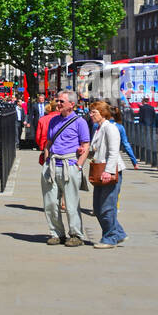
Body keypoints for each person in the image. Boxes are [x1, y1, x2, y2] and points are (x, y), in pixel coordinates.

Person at [40, 90, 90, 247]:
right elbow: (49, 142)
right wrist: (47, 159)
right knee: (50, 203)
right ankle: (57, 233)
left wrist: (79, 165)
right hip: (53, 165)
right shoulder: (54, 121)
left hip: (70, 165)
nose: (58, 103)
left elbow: (85, 145)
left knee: (71, 203)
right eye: (57, 101)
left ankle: (75, 234)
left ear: (71, 104)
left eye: (61, 101)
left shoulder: (80, 122)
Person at [85, 101, 127, 247]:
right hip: (99, 170)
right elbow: (97, 148)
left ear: (102, 113)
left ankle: (109, 238)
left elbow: (114, 152)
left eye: (94, 112)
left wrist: (109, 171)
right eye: (90, 112)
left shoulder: (110, 128)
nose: (91, 115)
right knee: (97, 207)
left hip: (109, 171)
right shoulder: (99, 128)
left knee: (107, 206)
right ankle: (118, 233)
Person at [111, 103, 138, 169]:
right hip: (115, 158)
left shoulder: (99, 125)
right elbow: (126, 145)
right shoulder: (119, 127)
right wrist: (134, 162)